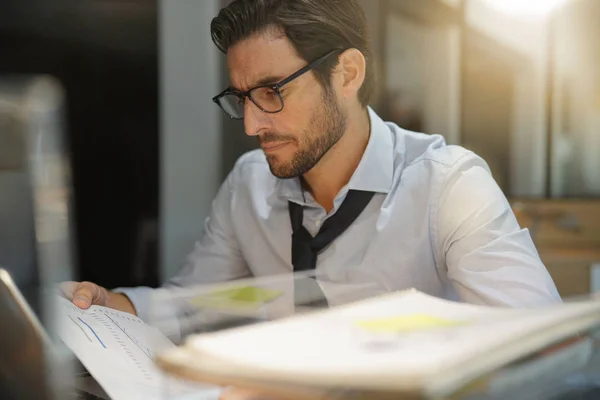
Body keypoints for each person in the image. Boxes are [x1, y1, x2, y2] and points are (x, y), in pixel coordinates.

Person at [61, 0, 561, 321]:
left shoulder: (449, 186)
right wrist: (112, 304)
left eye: (271, 92)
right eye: (241, 99)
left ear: (347, 73)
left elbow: (542, 345)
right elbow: (192, 303)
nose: (253, 126)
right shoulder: (249, 185)